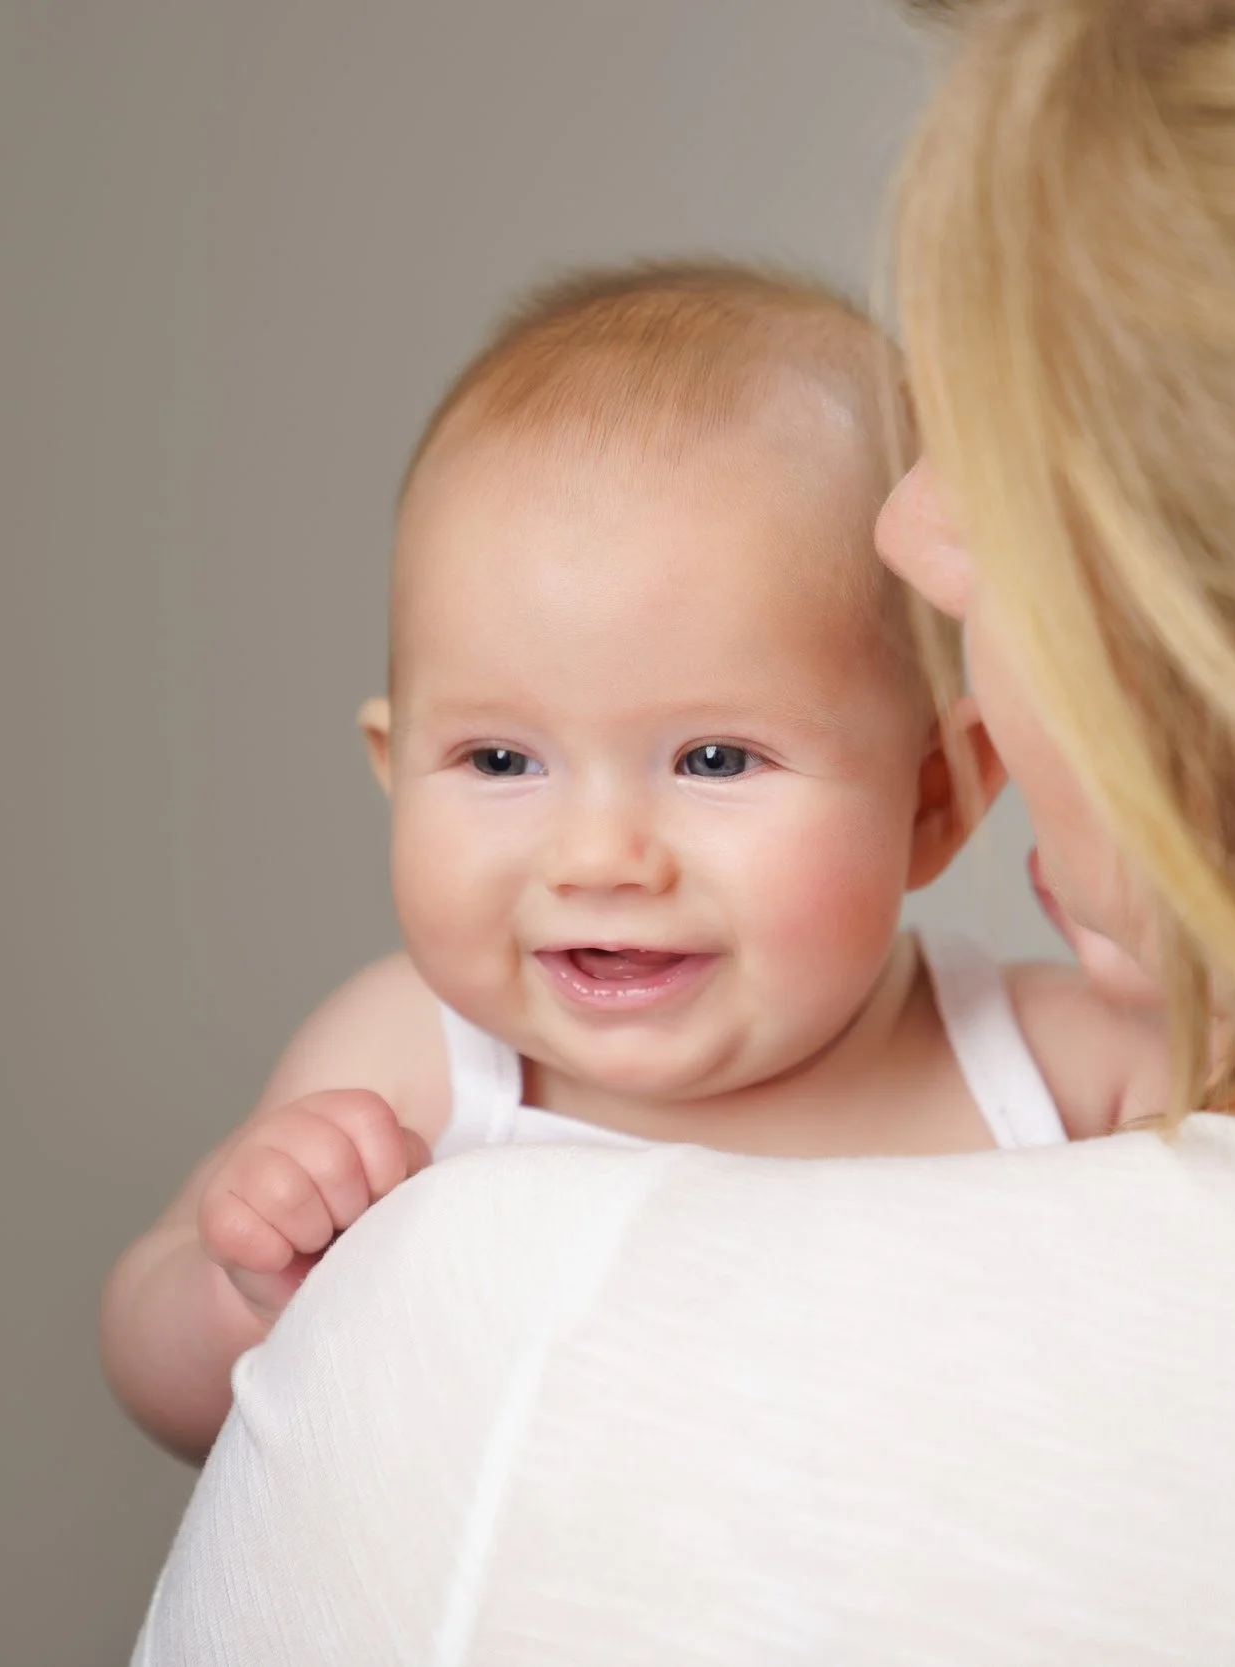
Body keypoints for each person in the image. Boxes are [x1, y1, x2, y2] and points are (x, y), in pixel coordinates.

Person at [133, 0, 1235, 1658]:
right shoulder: (409, 1072)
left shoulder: (503, 1356)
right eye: (501, 761)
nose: (911, 535)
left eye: (1024, 479)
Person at [101, 263, 1159, 1463]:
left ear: (934, 798)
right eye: (501, 760)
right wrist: (240, 1291)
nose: (599, 855)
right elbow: (154, 1364)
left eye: (713, 758)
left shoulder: (1057, 1071)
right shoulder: (409, 1068)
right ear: (394, 768)